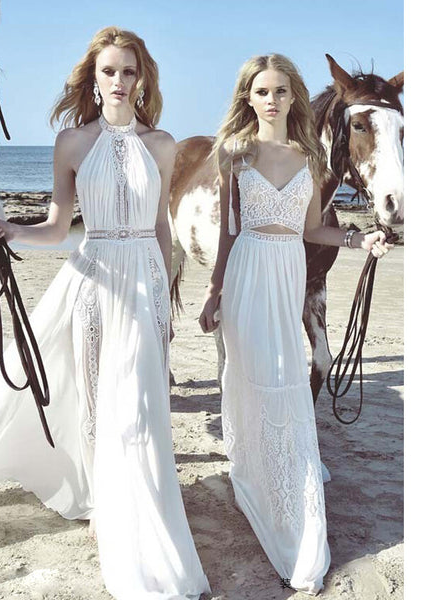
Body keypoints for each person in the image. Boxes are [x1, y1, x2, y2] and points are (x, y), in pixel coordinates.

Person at [0, 26, 210, 600]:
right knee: (97, 400)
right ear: (93, 78)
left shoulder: (163, 144)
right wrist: (12, 227)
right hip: (94, 282)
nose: (119, 81)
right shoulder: (71, 144)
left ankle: (137, 511)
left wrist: (166, 292)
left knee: (141, 407)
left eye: (129, 71)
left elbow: (163, 228)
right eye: (109, 71)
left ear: (143, 79)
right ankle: (100, 504)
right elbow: (58, 225)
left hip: (143, 282)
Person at [198, 54, 393, 595]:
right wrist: (214, 291)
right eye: (261, 91)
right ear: (248, 97)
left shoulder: (309, 158)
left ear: (294, 98)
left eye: (281, 91)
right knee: (252, 377)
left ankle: (289, 497)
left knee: (288, 377)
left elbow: (313, 231)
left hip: (286, 273)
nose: (271, 100)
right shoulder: (234, 154)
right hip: (245, 275)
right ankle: (256, 476)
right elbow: (228, 234)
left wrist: (359, 240)